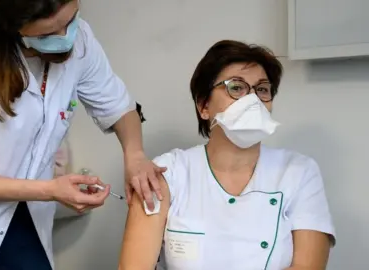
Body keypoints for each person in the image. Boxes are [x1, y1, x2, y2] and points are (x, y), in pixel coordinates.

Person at [0, 0, 166, 269]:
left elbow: (118, 105)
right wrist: (50, 191)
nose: (65, 38)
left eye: (70, 21)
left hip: (23, 207)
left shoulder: (79, 38)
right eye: (47, 33)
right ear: (12, 26)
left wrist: (135, 155)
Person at [118, 40, 336, 270]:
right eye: (236, 87)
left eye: (262, 89)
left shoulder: (299, 172)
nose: (252, 100)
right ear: (204, 106)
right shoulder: (167, 172)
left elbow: (308, 267)